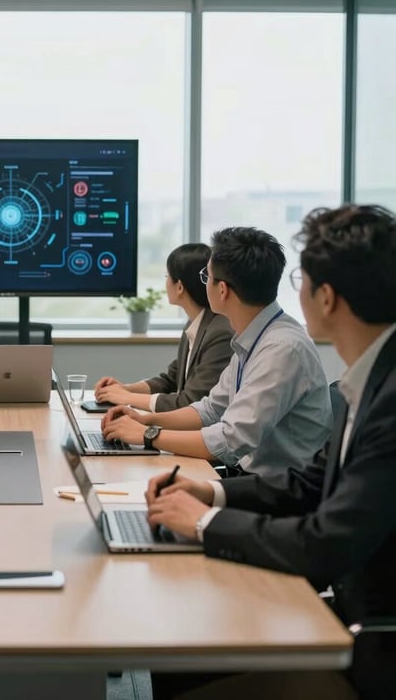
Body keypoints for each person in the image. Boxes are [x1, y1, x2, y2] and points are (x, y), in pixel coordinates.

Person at [144, 204, 396, 699]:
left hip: (367, 644)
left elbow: (327, 541)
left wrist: (201, 522)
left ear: (325, 297)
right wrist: (211, 493)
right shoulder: (365, 381)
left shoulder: (385, 400)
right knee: (174, 656)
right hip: (343, 608)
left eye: (301, 278)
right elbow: (308, 484)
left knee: (180, 648)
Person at [102, 226, 332, 478]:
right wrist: (145, 421)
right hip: (248, 478)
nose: (204, 283)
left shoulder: (281, 349)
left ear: (222, 290)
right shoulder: (255, 336)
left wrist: (149, 435)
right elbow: (211, 409)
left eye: (206, 276)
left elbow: (230, 440)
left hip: (277, 492)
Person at [94, 243, 233, 411]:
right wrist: (124, 389)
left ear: (180, 286)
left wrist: (127, 398)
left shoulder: (220, 332)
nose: (166, 282)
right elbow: (171, 379)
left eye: (167, 276)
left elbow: (189, 402)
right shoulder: (195, 323)